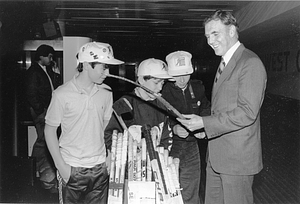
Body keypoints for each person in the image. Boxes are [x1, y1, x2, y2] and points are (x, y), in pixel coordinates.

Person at [177, 10, 267, 204]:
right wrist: (205, 129)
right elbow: (222, 109)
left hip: (237, 160)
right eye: (208, 36)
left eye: (215, 34)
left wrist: (205, 122)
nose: (210, 41)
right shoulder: (225, 63)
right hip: (217, 155)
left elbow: (247, 113)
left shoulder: (249, 63)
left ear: (232, 31)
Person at [44, 42, 124, 203]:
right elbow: (49, 131)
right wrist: (61, 167)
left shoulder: (106, 92)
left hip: (100, 167)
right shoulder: (61, 94)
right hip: (72, 167)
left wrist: (108, 157)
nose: (107, 73)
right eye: (104, 67)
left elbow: (106, 127)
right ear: (87, 65)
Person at [161, 51, 211, 204]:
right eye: (177, 76)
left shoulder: (198, 88)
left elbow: (205, 109)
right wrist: (174, 128)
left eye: (186, 75)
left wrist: (204, 126)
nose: (182, 80)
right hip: (169, 146)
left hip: (191, 145)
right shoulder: (162, 91)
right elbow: (157, 119)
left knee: (191, 188)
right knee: (169, 188)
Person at [104, 58, 174, 158]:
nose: (160, 88)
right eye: (156, 82)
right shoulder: (125, 104)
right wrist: (129, 153)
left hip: (155, 164)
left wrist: (160, 154)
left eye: (162, 83)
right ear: (141, 80)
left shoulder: (162, 105)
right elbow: (110, 136)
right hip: (131, 165)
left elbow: (167, 137)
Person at [25, 44, 61, 192]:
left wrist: (56, 74)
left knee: (43, 138)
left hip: (47, 109)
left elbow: (55, 88)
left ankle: (38, 168)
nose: (51, 59)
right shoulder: (34, 71)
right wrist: (40, 110)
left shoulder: (45, 70)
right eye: (49, 56)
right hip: (42, 111)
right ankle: (35, 167)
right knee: (43, 139)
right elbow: (31, 93)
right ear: (41, 56)